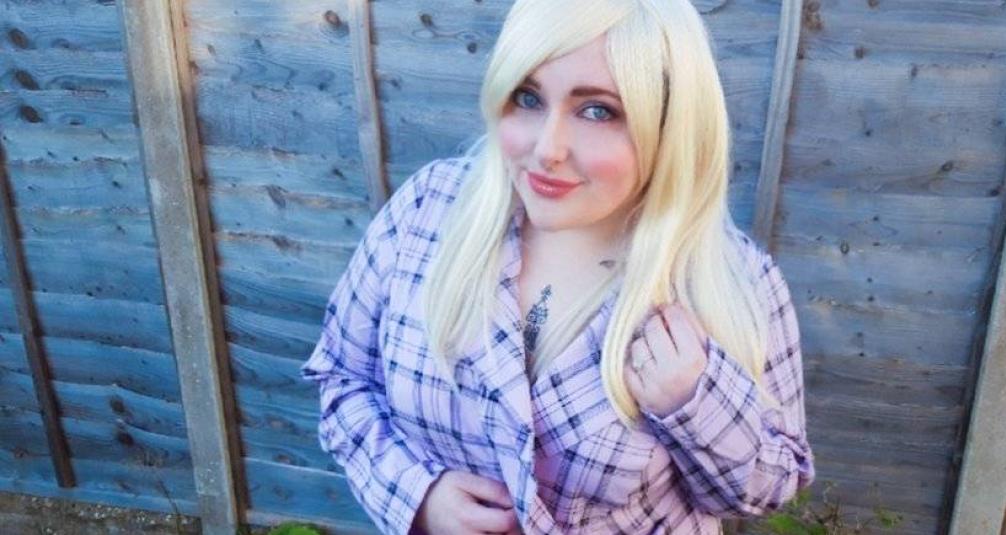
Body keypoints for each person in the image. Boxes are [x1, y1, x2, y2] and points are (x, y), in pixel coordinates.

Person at [301, 0, 815, 533]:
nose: (547, 148)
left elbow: (774, 486)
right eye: (527, 98)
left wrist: (696, 402)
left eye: (597, 111)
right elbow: (341, 377)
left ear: (668, 123)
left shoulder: (731, 281)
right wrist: (416, 496)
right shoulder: (427, 211)